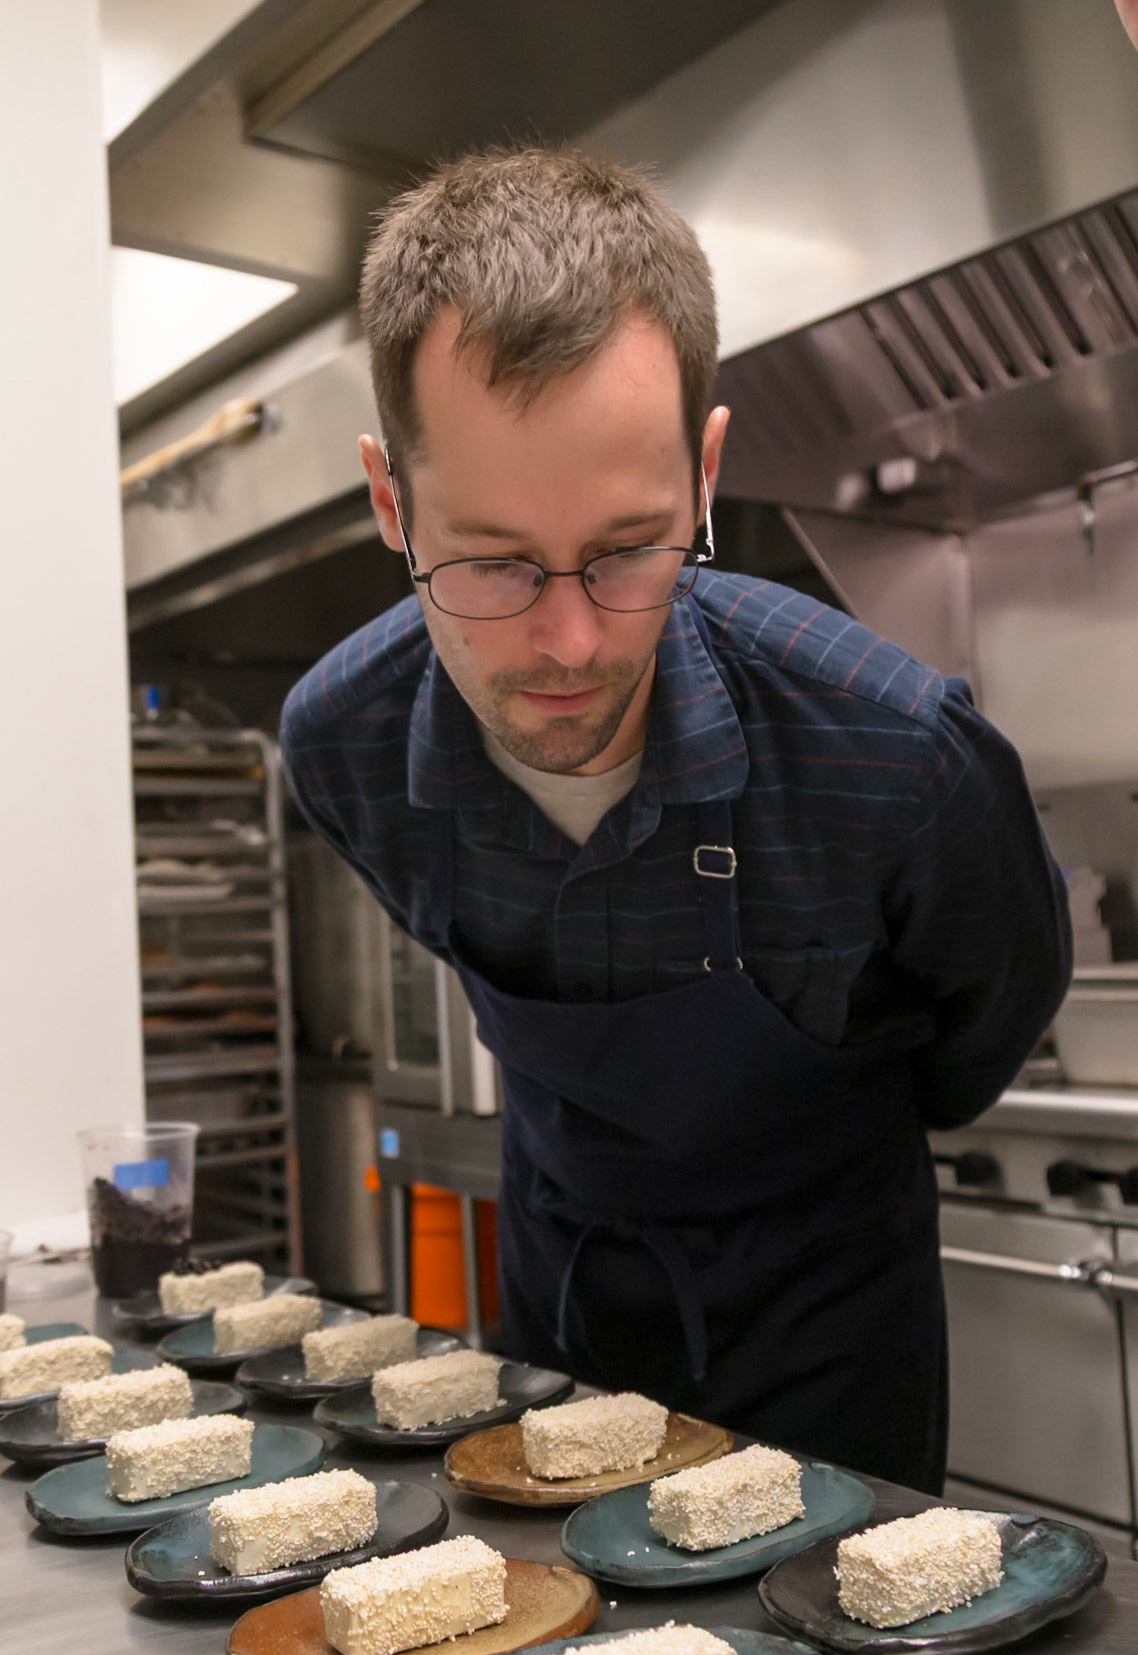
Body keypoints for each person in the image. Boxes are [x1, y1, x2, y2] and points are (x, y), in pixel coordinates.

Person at [281, 147, 1071, 1495]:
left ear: (705, 475)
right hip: (561, 1310)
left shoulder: (895, 757)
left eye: (629, 547)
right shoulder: (342, 743)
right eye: (490, 564)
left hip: (834, 1327)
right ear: (386, 502)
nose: (569, 638)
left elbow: (986, 1018)